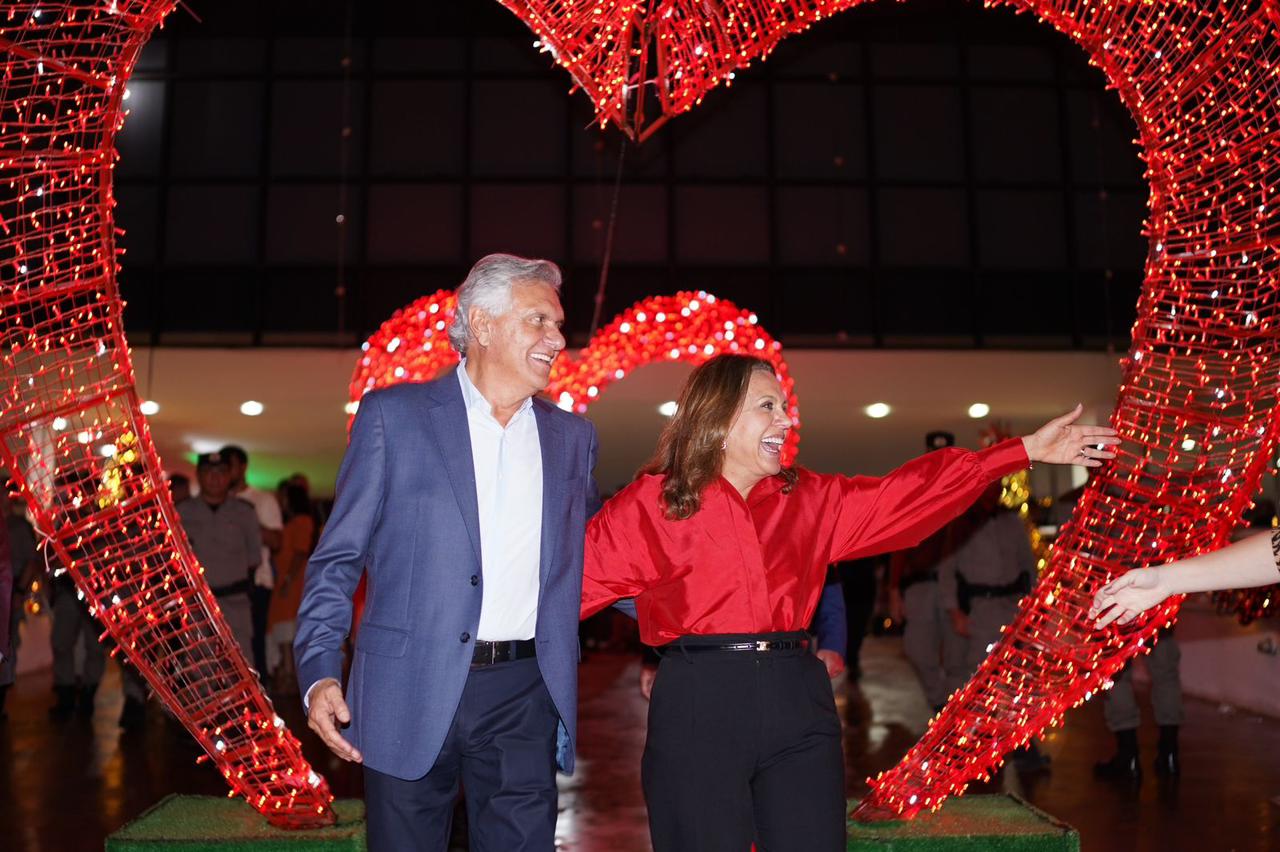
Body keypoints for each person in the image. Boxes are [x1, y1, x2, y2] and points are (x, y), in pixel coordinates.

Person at [580, 355, 1116, 852]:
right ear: (718, 418)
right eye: (768, 406)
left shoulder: (808, 499)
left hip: (797, 696)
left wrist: (1020, 452)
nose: (786, 420)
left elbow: (906, 496)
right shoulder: (650, 506)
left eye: (785, 408)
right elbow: (563, 591)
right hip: (699, 700)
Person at [295, 254, 600, 852]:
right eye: (538, 321)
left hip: (525, 693)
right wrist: (320, 670)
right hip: (406, 687)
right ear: (482, 323)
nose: (557, 339)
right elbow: (337, 559)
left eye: (559, 325)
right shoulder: (393, 417)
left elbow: (600, 560)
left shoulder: (573, 438)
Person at [176, 452, 262, 660]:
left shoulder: (244, 513)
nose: (215, 478)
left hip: (235, 603)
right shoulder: (181, 513)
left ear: (230, 476)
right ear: (198, 475)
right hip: (197, 605)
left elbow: (254, 558)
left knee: (241, 664)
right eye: (208, 472)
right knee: (198, 667)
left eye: (221, 472)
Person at [221, 444, 283, 678]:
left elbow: (276, 541)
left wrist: (246, 522)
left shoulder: (262, 500)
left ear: (243, 467)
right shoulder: (217, 504)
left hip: (256, 583)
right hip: (223, 584)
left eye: (231, 466)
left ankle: (260, 693)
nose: (227, 473)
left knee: (254, 644)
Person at [266, 483, 315, 695]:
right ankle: (286, 672)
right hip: (284, 580)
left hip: (292, 582)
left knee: (287, 626)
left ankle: (290, 675)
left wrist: (287, 579)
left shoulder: (302, 521)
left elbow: (300, 552)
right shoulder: (290, 522)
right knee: (282, 626)